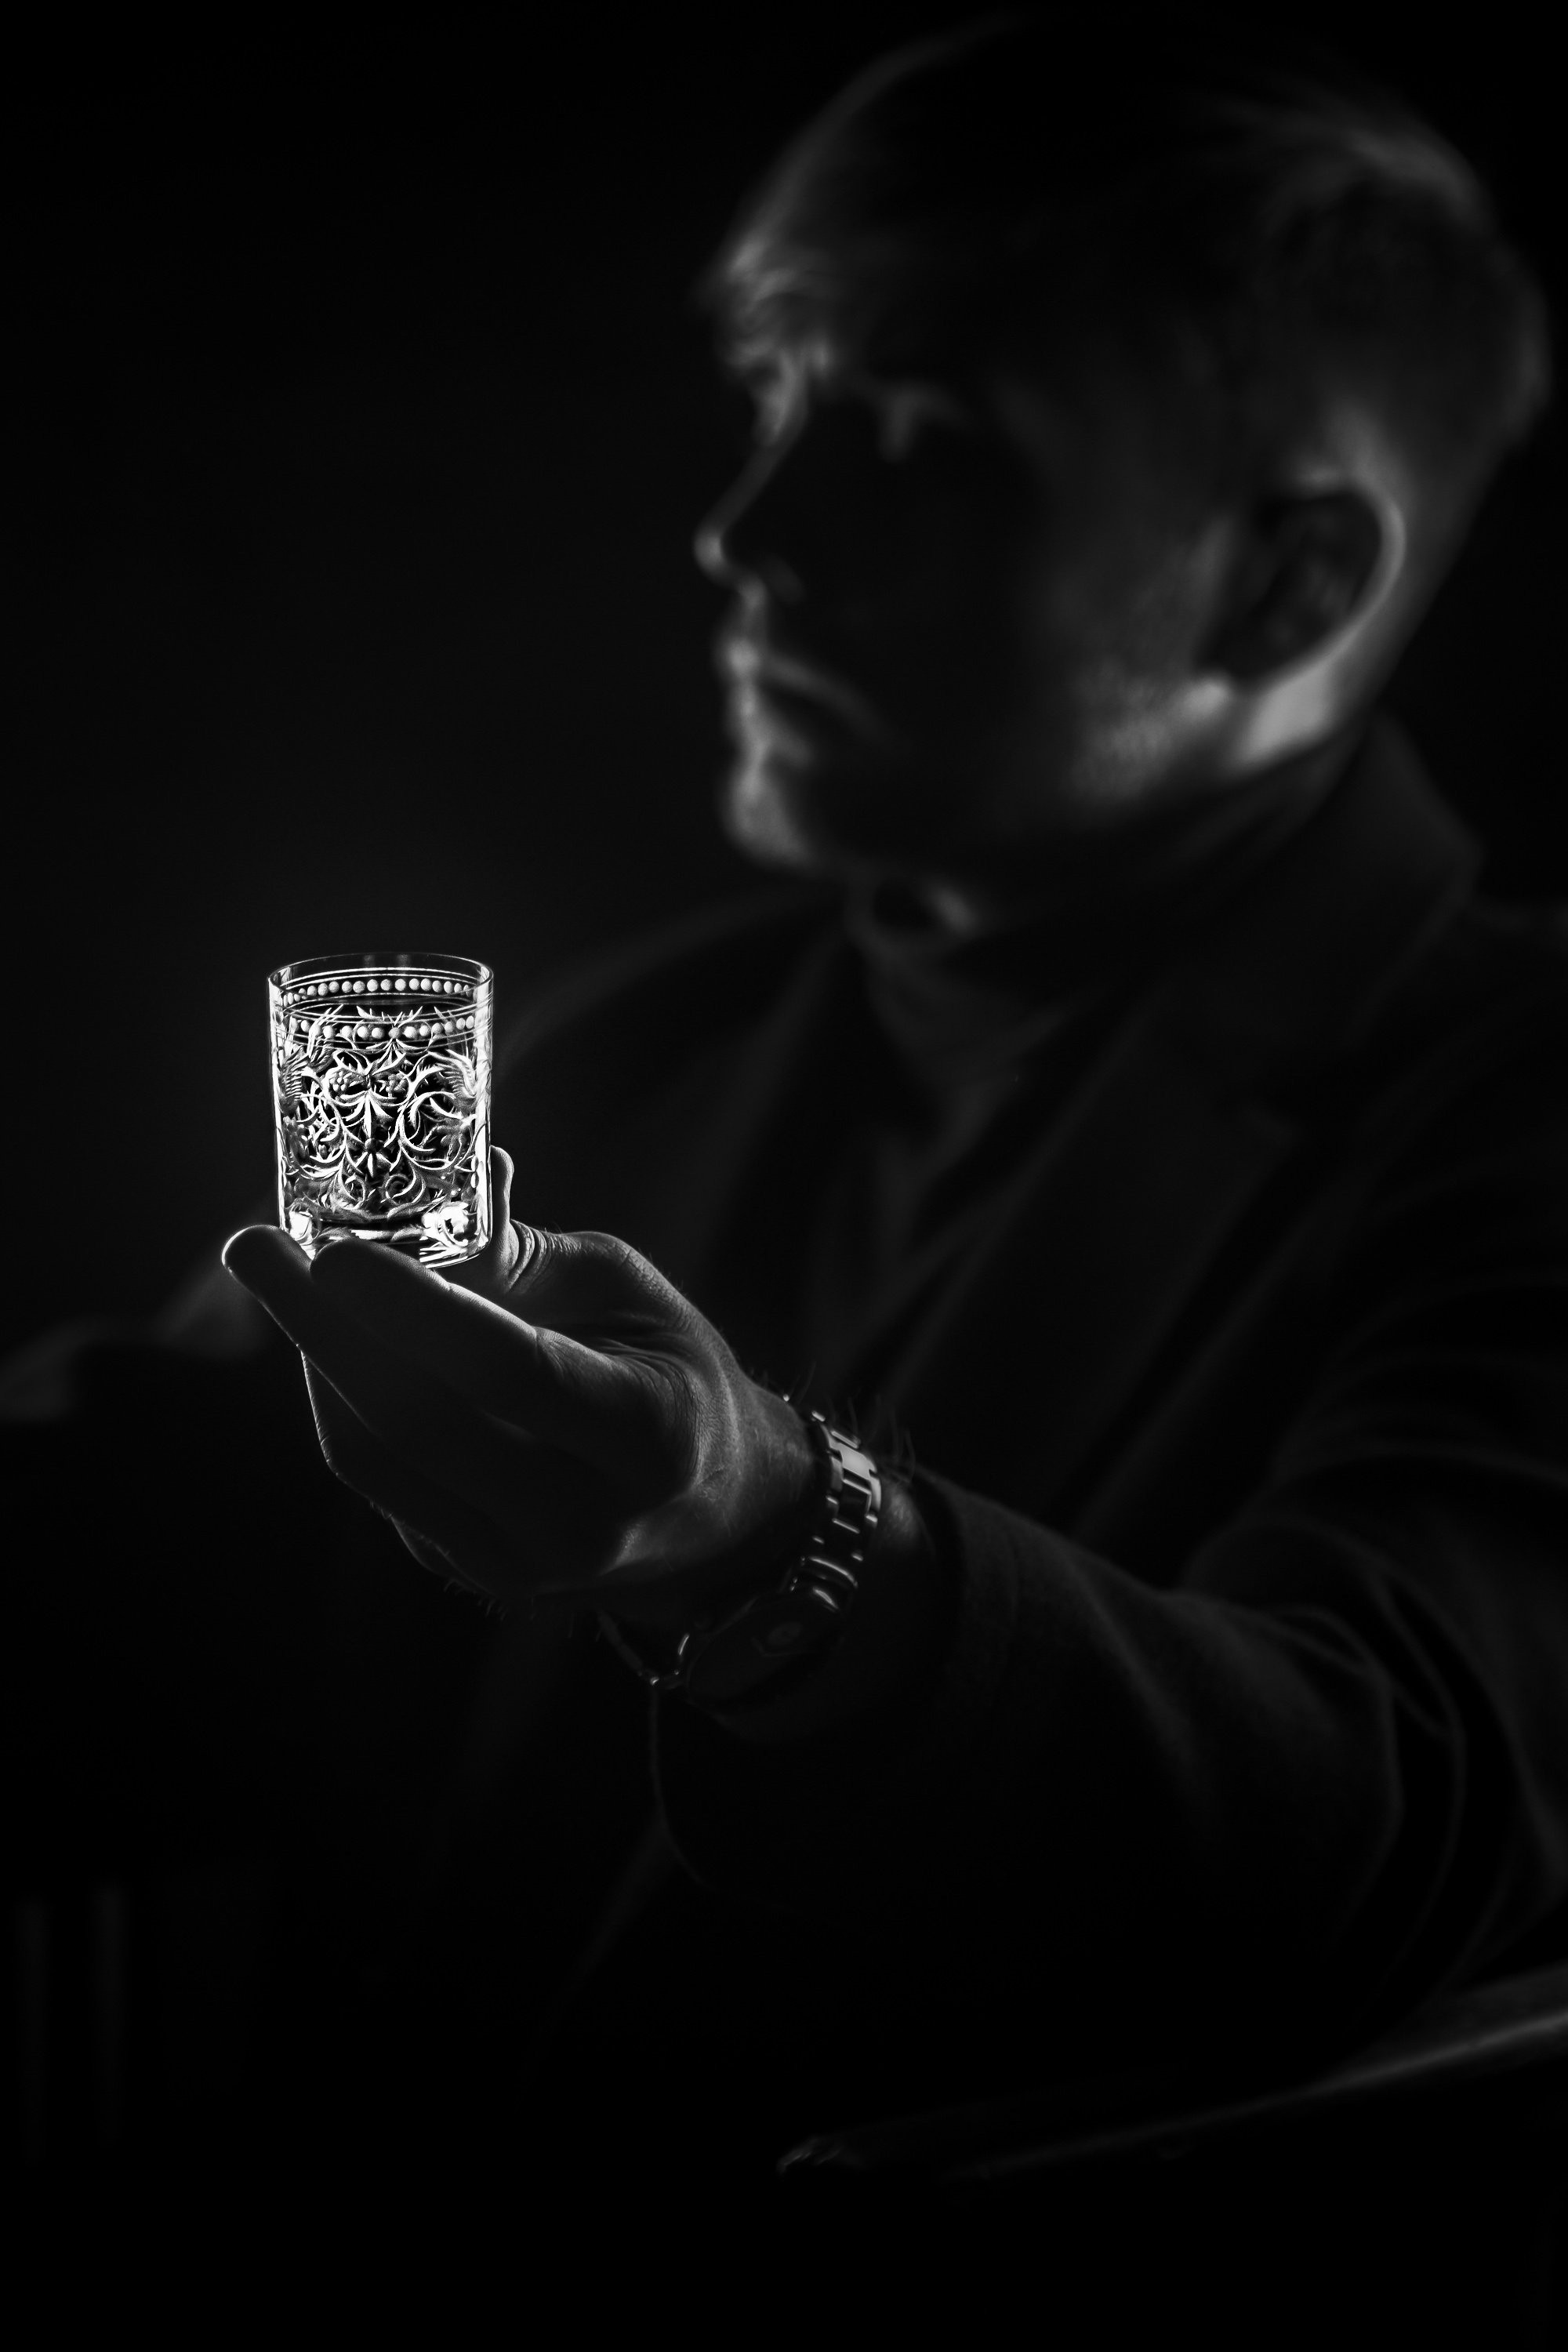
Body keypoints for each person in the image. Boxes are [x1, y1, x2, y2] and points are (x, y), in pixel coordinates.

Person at [8, 8, 1567, 2331]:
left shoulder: (1515, 1109)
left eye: (917, 444)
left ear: (1284, 582)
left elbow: (1379, 1805)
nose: (750, 532)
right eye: (774, 402)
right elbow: (132, 1551)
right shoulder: (656, 1044)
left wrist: (775, 1544)